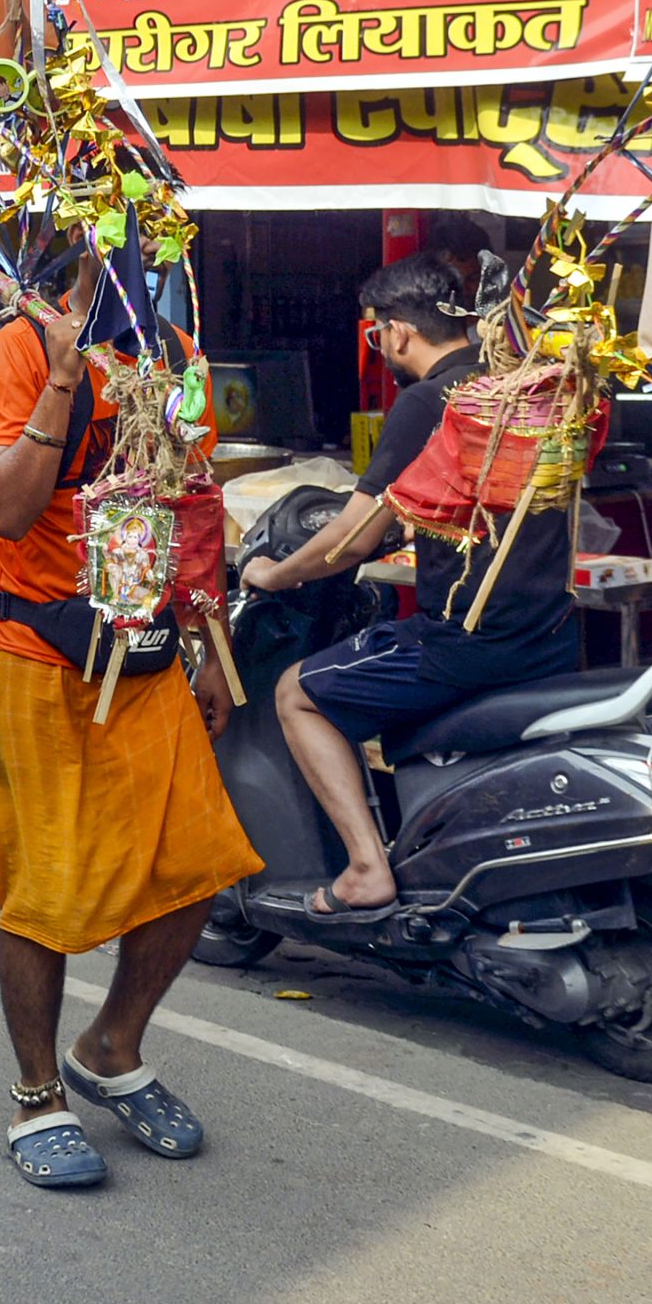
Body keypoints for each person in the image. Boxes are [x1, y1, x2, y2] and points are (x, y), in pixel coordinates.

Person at [0, 247, 259, 1188]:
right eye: (110, 217)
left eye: (146, 219)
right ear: (70, 240)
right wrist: (61, 374)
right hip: (35, 652)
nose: (134, 240)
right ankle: (37, 1090)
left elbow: (194, 506)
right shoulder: (14, 349)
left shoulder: (170, 351)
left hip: (142, 651)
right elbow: (5, 511)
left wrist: (212, 647)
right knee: (46, 889)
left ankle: (112, 1043)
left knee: (200, 859)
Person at [242, 255, 578, 916]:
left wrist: (273, 572)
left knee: (297, 693)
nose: (380, 345)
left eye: (376, 334)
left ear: (396, 332)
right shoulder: (511, 388)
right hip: (549, 634)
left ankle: (367, 867)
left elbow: (353, 538)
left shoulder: (431, 402)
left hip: (468, 643)